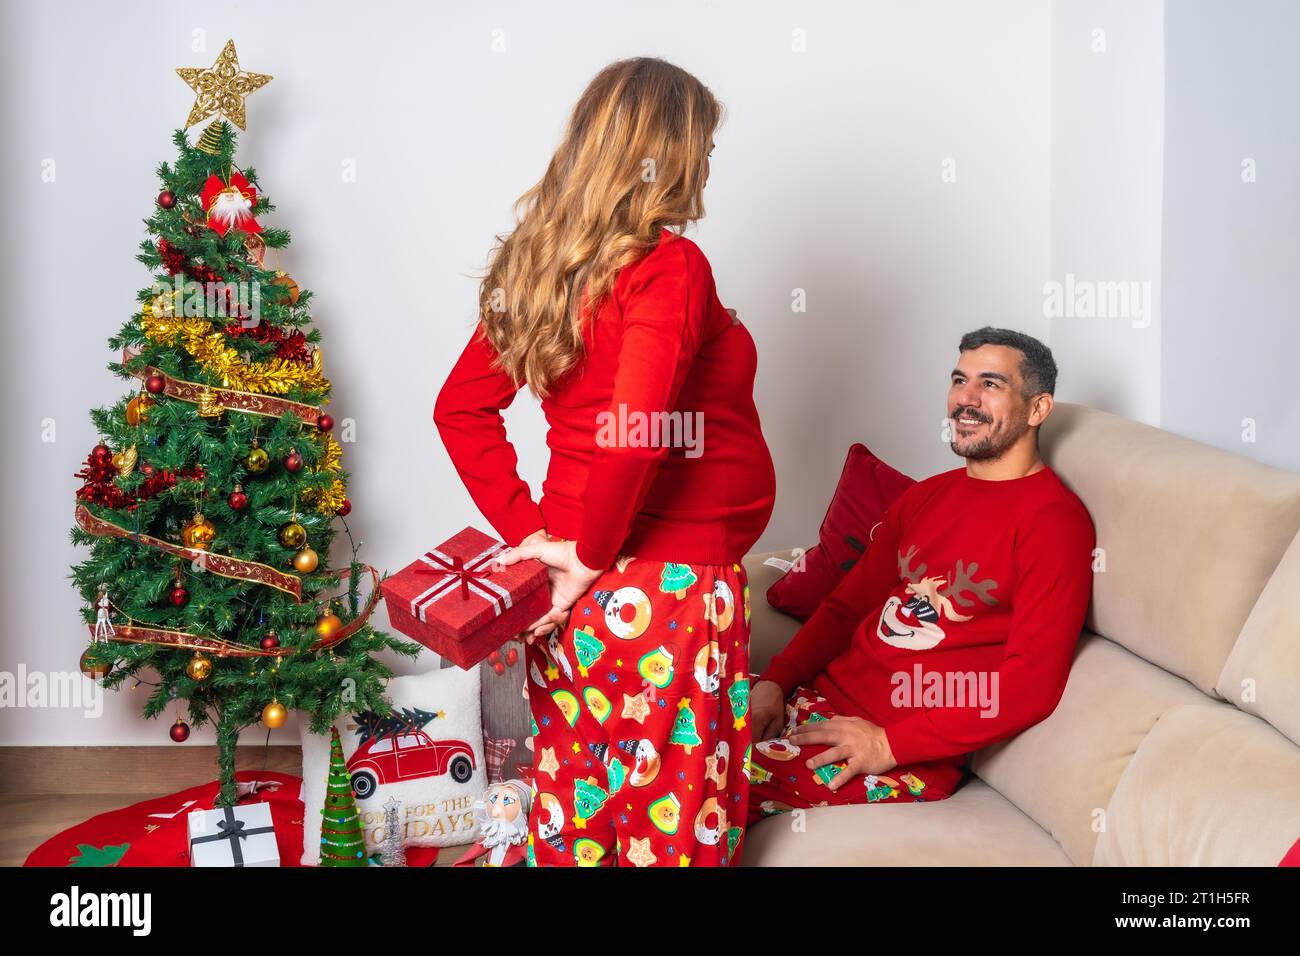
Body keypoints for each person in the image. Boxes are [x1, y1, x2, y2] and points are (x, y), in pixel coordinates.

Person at [434, 58, 776, 867]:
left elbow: (459, 411)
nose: (707, 166)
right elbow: (636, 426)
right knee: (670, 826)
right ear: (668, 153)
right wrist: (582, 554)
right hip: (671, 594)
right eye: (704, 148)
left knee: (579, 807)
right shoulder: (670, 266)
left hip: (574, 595)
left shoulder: (543, 265)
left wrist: (542, 541)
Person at [746, 327, 1095, 825]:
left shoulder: (1054, 523)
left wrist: (890, 743)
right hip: (814, 704)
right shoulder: (927, 496)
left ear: (1038, 409)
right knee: (638, 732)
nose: (966, 399)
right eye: (960, 380)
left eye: (990, 384)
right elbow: (846, 609)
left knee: (686, 784)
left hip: (895, 754)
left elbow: (1030, 684)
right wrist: (776, 683)